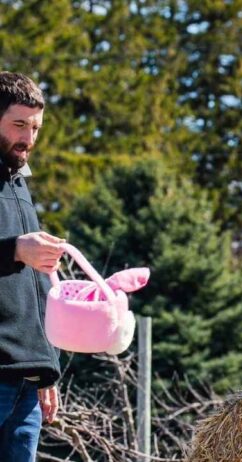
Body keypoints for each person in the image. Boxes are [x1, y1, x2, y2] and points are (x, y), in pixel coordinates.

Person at [0, 71, 64, 461]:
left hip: (26, 380)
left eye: (36, 127)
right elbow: (17, 255)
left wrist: (47, 367)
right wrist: (14, 249)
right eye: (19, 125)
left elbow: (37, 284)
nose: (29, 139)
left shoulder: (20, 183)